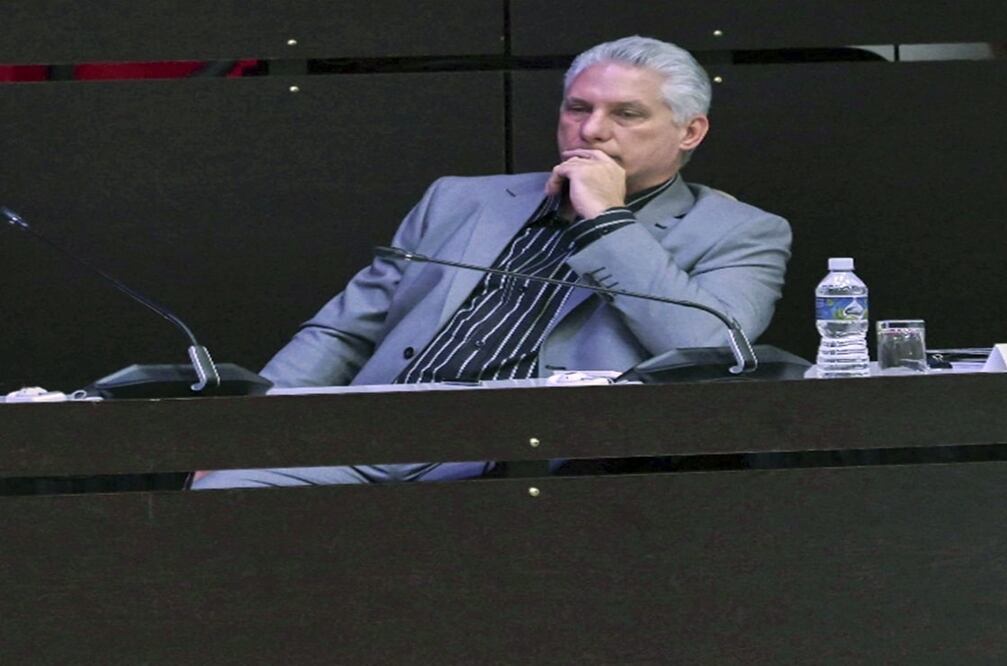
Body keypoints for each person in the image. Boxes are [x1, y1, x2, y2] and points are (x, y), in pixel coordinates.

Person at [193, 35, 792, 489]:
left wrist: (607, 220)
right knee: (218, 481)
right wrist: (251, 429)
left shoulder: (739, 232)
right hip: (380, 429)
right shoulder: (462, 198)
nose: (592, 130)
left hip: (533, 448)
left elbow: (712, 352)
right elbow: (344, 329)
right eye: (577, 108)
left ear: (690, 132)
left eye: (627, 114)